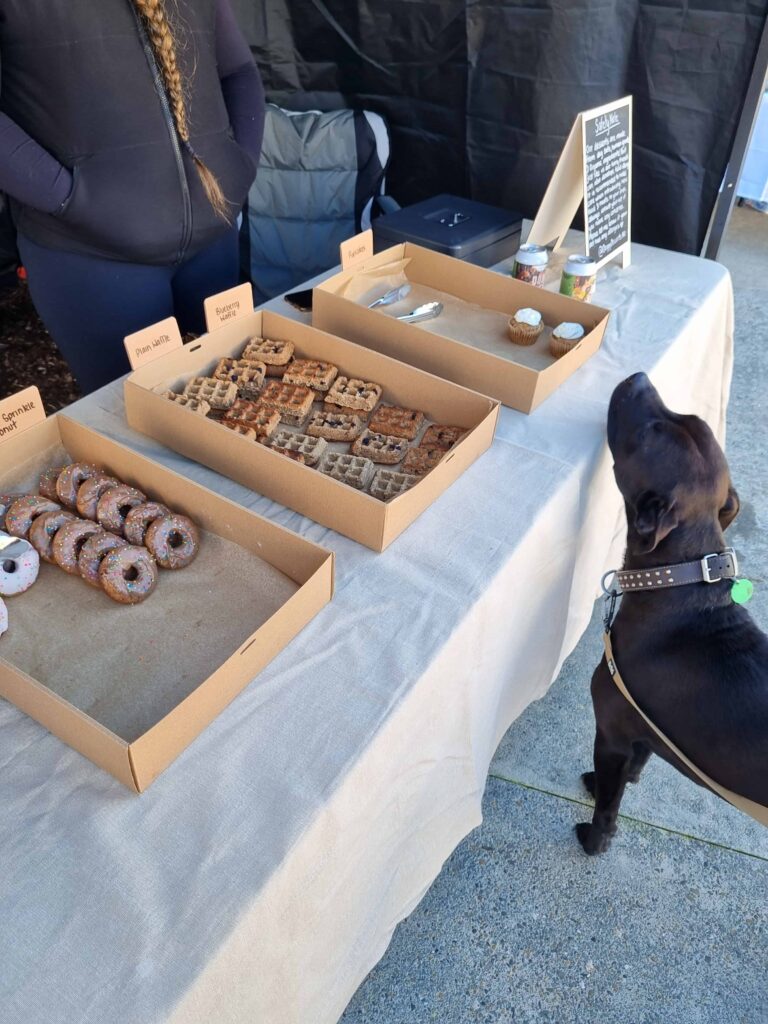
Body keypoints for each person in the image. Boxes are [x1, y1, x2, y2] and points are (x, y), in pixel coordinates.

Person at [0, 0, 265, 394]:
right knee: (135, 426)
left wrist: (238, 168)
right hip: (93, 258)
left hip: (214, 241)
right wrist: (70, 198)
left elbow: (239, 70)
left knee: (236, 406)